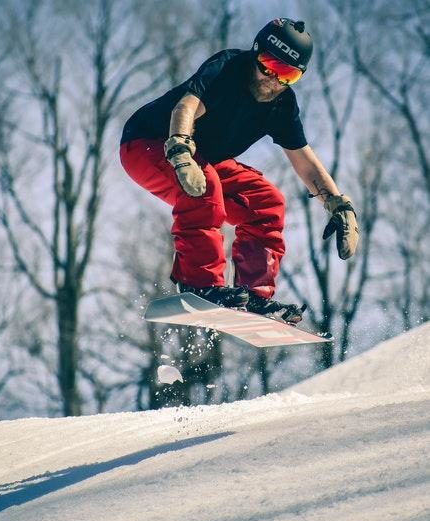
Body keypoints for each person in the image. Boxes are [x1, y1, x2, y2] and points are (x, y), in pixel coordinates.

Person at [120, 18, 359, 324]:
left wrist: (338, 205)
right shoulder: (228, 69)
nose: (272, 80)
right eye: (268, 65)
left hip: (204, 156)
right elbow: (187, 108)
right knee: (206, 186)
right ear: (255, 54)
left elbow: (304, 159)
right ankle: (200, 285)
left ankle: (255, 295)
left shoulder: (281, 104)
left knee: (265, 201)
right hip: (149, 143)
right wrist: (180, 151)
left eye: (287, 74)